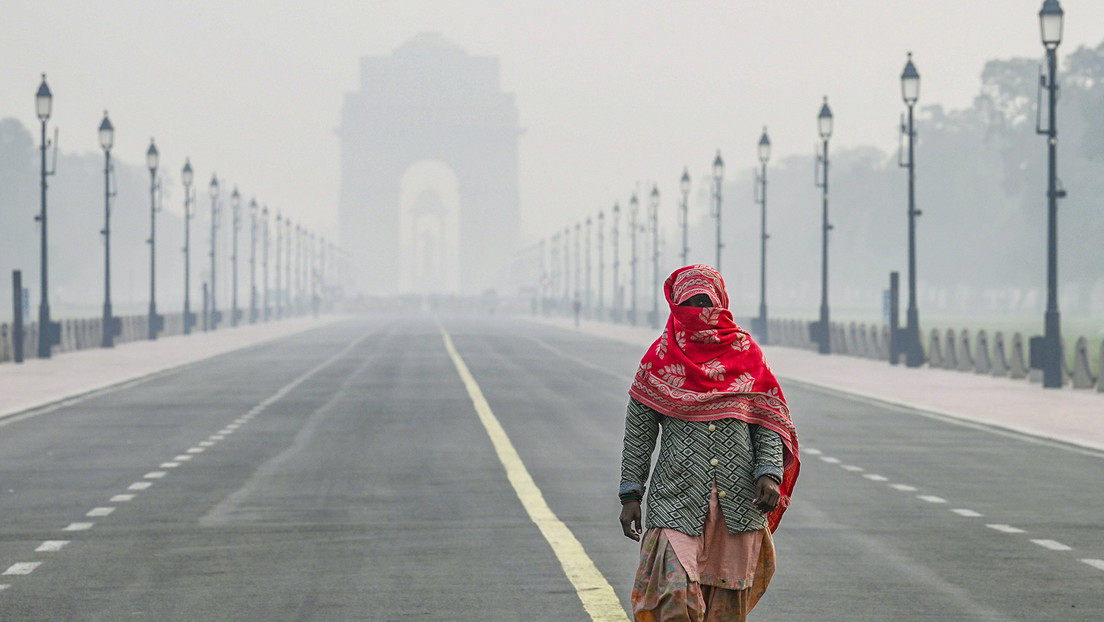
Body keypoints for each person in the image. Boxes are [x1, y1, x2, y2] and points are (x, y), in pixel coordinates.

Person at [618, 264, 800, 622]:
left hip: (739, 502)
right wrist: (630, 493)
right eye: (690, 304)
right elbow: (639, 433)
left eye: (706, 302)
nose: (699, 313)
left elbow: (767, 420)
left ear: (720, 302)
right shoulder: (659, 359)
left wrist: (770, 473)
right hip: (675, 500)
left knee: (725, 610)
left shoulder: (747, 353)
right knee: (671, 597)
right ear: (675, 307)